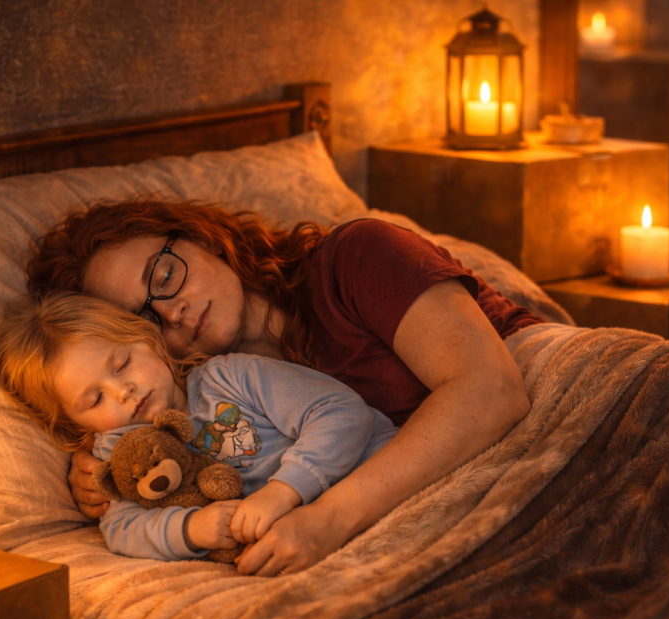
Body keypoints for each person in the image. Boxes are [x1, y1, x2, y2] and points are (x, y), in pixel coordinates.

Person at [26, 201, 538, 575]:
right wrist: (104, 468)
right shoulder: (194, 410)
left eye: (163, 274)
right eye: (142, 318)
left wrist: (326, 520)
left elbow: (491, 391)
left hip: (554, 406)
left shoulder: (358, 256)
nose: (170, 309)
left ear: (201, 236)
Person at [0, 291, 397, 562]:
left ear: (148, 342)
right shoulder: (121, 457)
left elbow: (340, 412)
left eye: (121, 365)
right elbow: (121, 527)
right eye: (94, 399)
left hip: (385, 476)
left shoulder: (231, 377)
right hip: (320, 542)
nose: (123, 391)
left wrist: (282, 491)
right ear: (75, 424)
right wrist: (192, 529)